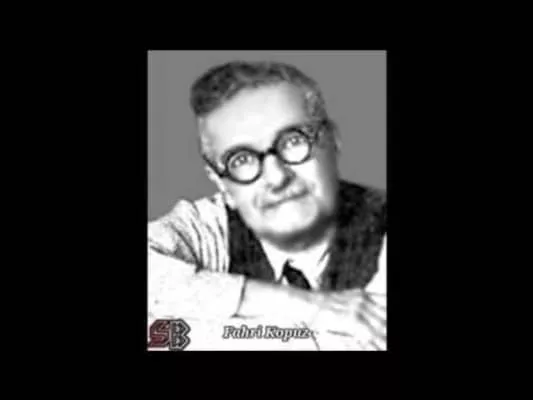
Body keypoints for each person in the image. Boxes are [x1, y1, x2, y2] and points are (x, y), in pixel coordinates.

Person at [148, 60, 387, 350]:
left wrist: (189, 329)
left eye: (293, 141)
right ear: (221, 183)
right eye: (241, 159)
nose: (276, 177)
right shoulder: (208, 227)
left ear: (334, 141)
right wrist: (307, 307)